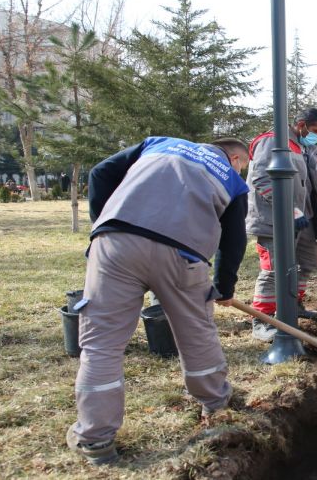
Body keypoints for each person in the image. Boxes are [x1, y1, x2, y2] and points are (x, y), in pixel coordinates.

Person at [66, 136, 251, 465]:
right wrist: (224, 287)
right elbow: (234, 239)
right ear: (236, 158)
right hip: (183, 256)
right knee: (196, 332)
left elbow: (99, 173)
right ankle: (216, 404)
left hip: (115, 245)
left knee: (102, 344)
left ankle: (96, 440)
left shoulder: (157, 143)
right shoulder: (232, 179)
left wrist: (105, 224)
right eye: (245, 165)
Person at [246, 107, 317, 341]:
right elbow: (262, 179)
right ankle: (262, 319)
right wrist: (290, 209)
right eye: (315, 130)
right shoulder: (273, 142)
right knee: (274, 269)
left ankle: (292, 306)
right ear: (301, 125)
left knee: (307, 262)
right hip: (274, 220)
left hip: (303, 220)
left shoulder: (308, 149)